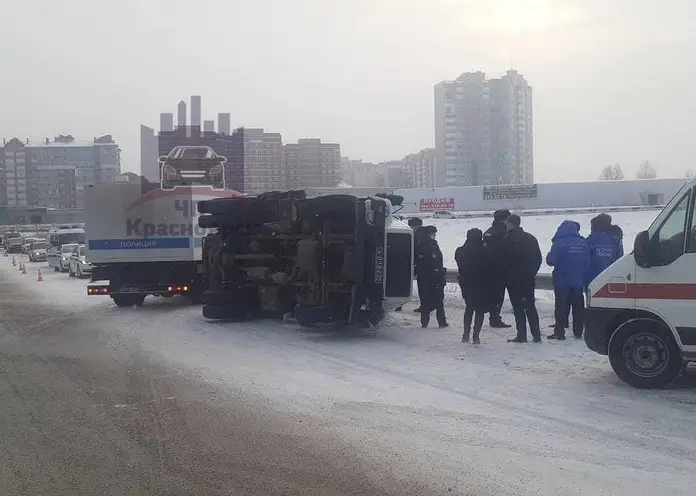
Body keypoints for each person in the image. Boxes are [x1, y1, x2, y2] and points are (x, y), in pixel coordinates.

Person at [546, 220, 591, 340]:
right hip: (577, 280)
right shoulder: (583, 243)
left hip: (562, 280)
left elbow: (551, 260)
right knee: (578, 307)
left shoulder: (559, 243)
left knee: (560, 306)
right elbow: (588, 262)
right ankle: (578, 331)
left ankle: (559, 331)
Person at [501, 214, 543, 343]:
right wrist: (531, 271)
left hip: (513, 279)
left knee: (518, 307)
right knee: (530, 305)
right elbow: (538, 258)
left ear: (510, 224)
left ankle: (522, 334)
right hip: (528, 278)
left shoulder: (507, 239)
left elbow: (502, 260)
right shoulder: (531, 238)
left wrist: (506, 275)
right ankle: (536, 335)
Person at [455, 228, 495, 344]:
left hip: (466, 283)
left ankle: (465, 334)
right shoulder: (485, 250)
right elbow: (490, 266)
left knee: (469, 308)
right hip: (482, 284)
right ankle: (476, 336)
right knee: (479, 311)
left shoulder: (461, 251)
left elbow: (461, 265)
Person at [483, 209, 513, 328]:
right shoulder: (504, 233)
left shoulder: (488, 232)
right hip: (501, 269)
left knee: (492, 294)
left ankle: (493, 316)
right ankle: (495, 318)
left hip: (488, 269)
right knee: (498, 295)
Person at [416, 225, 448, 328]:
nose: (434, 235)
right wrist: (439, 271)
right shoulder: (431, 245)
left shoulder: (419, 244)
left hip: (423, 277)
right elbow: (436, 261)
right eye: (433, 233)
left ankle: (424, 322)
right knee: (438, 300)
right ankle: (441, 322)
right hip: (434, 277)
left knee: (424, 299)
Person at [586, 213, 622, 287]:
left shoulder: (590, 240)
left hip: (592, 279)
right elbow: (619, 258)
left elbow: (585, 259)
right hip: (610, 277)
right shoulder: (615, 240)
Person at [396, 217, 424, 313]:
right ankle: (400, 304)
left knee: (404, 284)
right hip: (414, 263)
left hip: (414, 263)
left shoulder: (417, 236)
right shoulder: (417, 234)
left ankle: (400, 304)